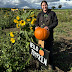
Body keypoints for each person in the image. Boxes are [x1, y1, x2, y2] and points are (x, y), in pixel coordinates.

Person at [35, 0, 58, 70]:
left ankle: (51, 64)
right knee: (40, 50)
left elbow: (55, 22)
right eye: (43, 5)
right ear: (41, 7)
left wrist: (49, 27)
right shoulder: (39, 14)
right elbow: (36, 22)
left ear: (47, 5)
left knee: (49, 50)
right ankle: (39, 64)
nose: (44, 6)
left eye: (45, 5)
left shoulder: (52, 13)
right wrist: (36, 26)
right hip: (40, 36)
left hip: (49, 35)